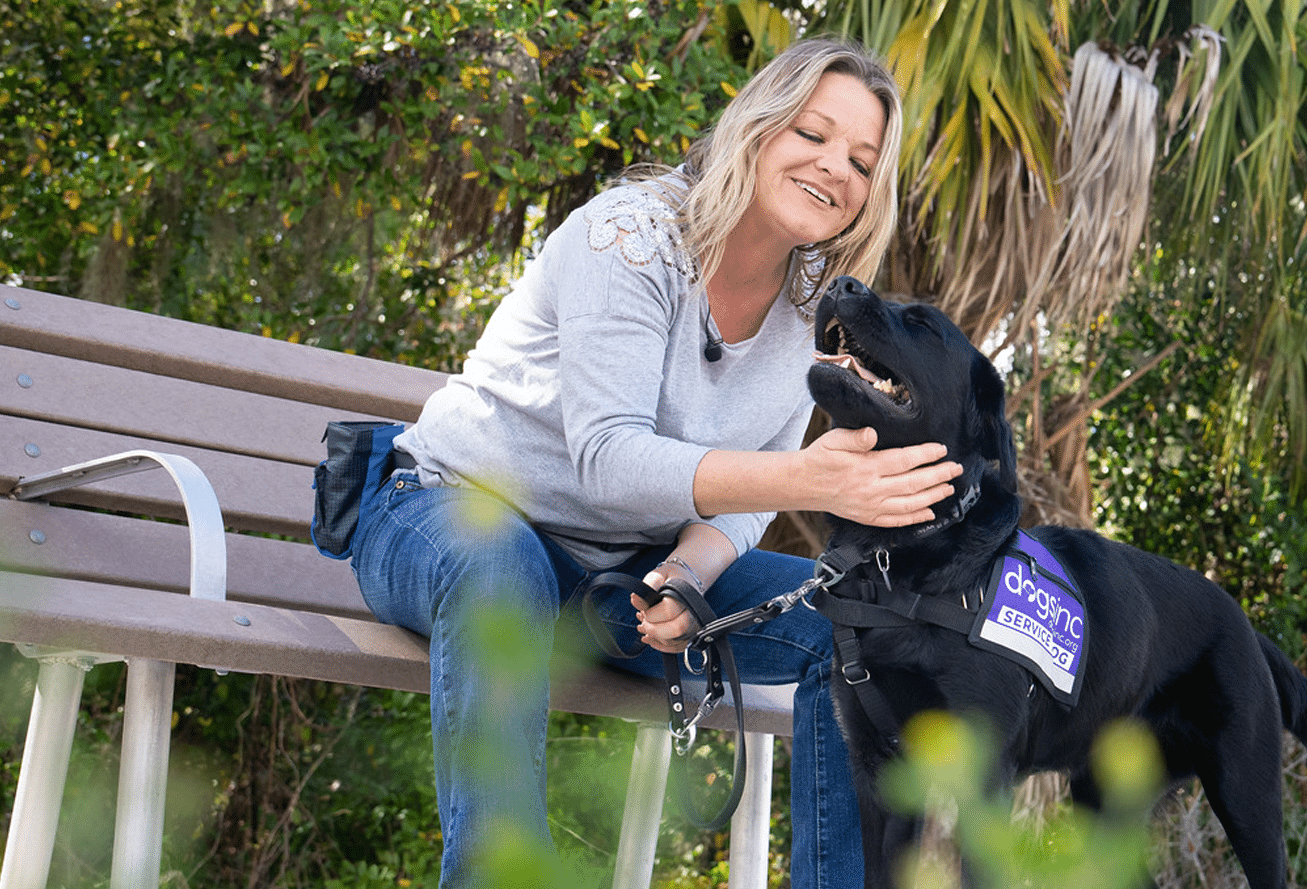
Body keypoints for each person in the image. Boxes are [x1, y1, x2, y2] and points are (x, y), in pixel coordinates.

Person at [346, 37, 960, 888]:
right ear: (758, 127)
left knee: (864, 626)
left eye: (862, 159)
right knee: (501, 565)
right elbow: (608, 455)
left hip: (614, 572)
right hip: (446, 518)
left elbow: (741, 504)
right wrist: (810, 480)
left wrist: (683, 572)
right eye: (813, 134)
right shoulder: (628, 236)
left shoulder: (813, 308)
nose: (835, 169)